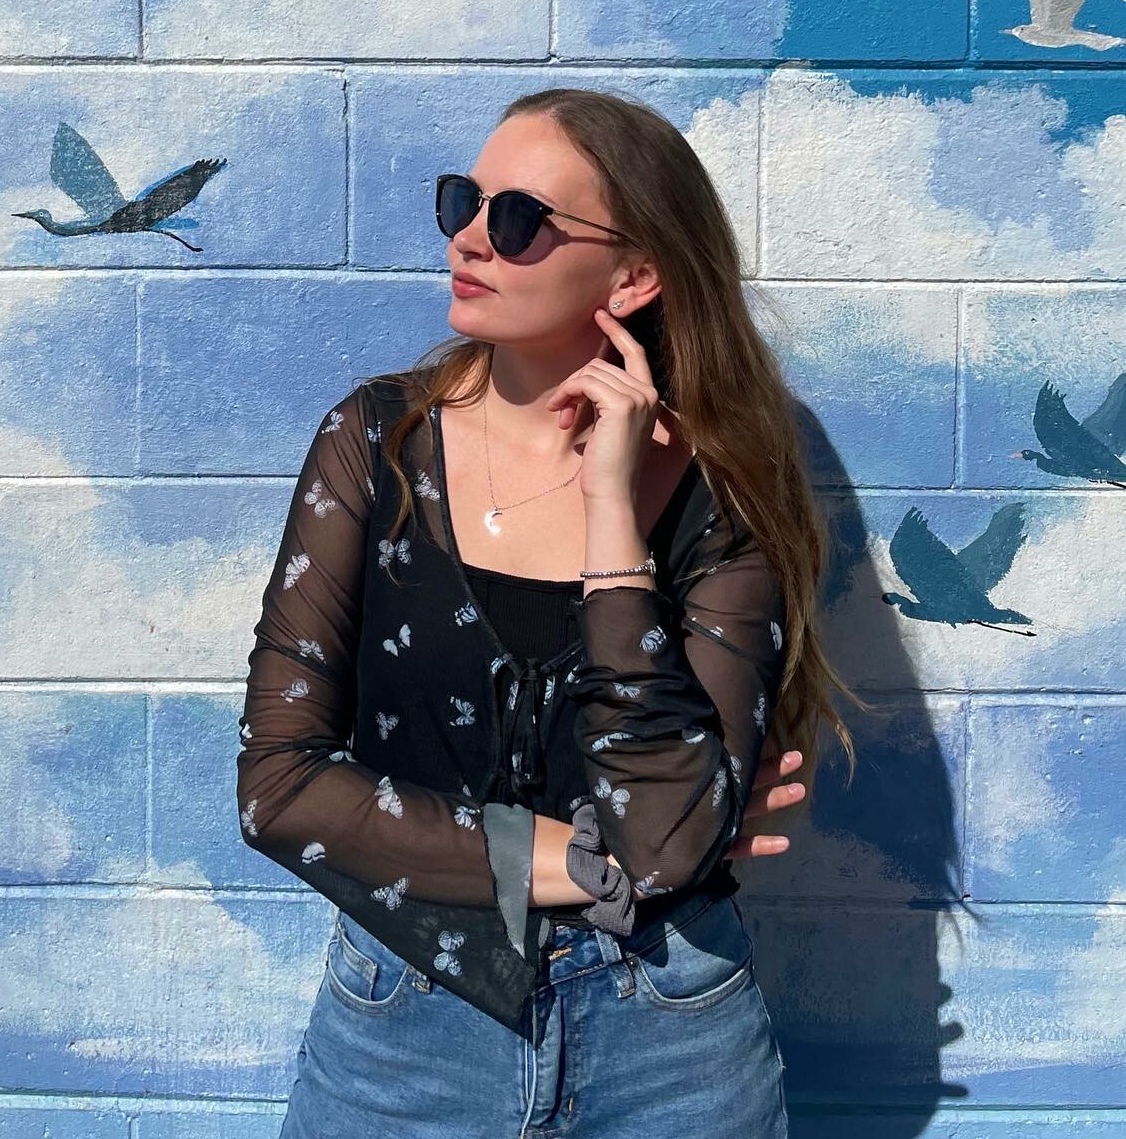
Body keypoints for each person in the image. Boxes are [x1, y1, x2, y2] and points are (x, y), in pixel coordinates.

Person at [237, 86, 869, 1137]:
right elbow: (278, 788)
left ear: (633, 275)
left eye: (520, 219)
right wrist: (584, 861)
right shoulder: (376, 444)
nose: (471, 238)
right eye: (464, 202)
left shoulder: (722, 488)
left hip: (669, 1037)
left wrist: (612, 518)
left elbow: (666, 840)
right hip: (403, 1024)